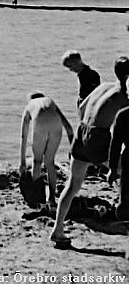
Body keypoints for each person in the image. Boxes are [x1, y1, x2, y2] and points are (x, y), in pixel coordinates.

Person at [50, 56, 129, 245]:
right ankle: (122, 209)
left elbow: (82, 107)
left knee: (72, 185)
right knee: (125, 170)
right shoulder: (124, 97)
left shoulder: (103, 87)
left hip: (82, 131)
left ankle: (57, 230)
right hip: (97, 138)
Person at [19, 93, 74, 207]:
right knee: (50, 162)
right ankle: (52, 199)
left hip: (40, 121)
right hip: (56, 122)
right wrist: (73, 149)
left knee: (37, 161)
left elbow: (24, 136)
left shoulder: (30, 104)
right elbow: (68, 128)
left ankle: (37, 198)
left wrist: (22, 162)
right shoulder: (50, 101)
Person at [107, 106, 129, 220]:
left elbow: (115, 144)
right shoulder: (123, 115)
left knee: (125, 201)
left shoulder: (123, 114)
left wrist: (113, 168)